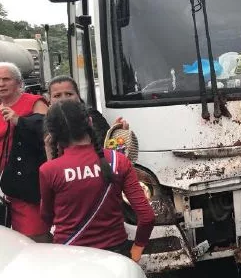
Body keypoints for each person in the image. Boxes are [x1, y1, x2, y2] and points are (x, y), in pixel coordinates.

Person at [39, 100, 154, 261]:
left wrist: (50, 155)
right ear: (90, 122)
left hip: (70, 257)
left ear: (52, 135)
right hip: (116, 254)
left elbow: (46, 217)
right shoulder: (118, 160)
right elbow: (147, 216)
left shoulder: (49, 170)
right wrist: (137, 248)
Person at [0, 62, 50, 242]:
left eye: (6, 79)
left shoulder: (34, 102)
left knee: (33, 237)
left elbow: (48, 131)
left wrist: (19, 120)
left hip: (27, 183)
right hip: (6, 184)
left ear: (19, 82)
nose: (1, 84)